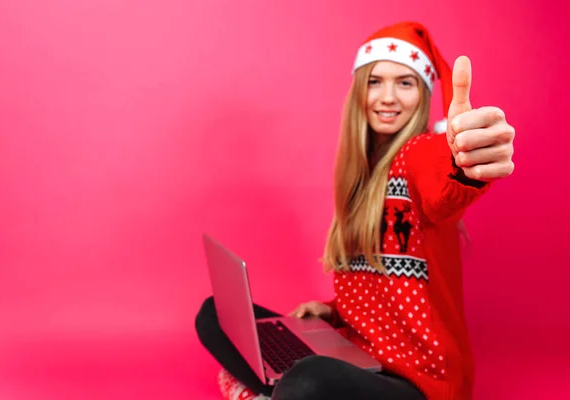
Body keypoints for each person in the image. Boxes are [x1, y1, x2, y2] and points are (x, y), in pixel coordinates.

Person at [195, 21, 515, 400]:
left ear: (423, 93)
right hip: (355, 355)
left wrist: (464, 159)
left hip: (416, 383)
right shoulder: (357, 180)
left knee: (307, 380)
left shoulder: (416, 155)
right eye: (375, 81)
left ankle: (277, 390)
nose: (387, 97)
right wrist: (330, 312)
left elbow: (443, 178)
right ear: (359, 90)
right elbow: (376, 290)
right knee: (215, 315)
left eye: (405, 83)